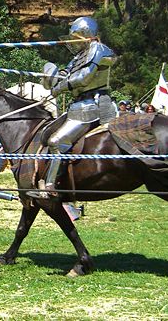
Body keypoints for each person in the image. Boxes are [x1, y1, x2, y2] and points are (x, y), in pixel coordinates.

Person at [27, 16, 116, 199]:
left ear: (86, 35)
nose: (73, 42)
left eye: (76, 37)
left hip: (93, 105)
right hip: (79, 106)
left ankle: (51, 187)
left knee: (57, 142)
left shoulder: (98, 49)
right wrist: (51, 77)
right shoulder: (79, 56)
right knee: (47, 134)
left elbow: (83, 77)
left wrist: (59, 88)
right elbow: (65, 73)